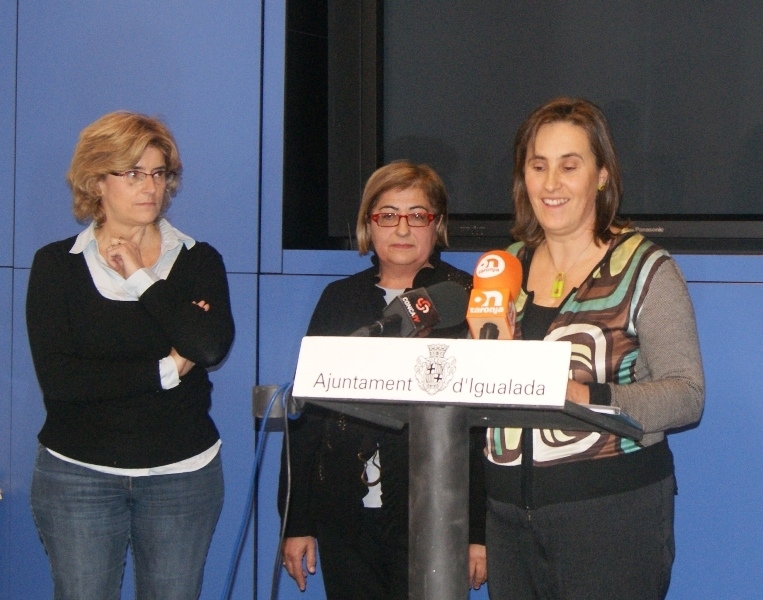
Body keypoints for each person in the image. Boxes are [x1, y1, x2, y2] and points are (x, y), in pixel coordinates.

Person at [481, 98, 705, 599]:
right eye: (538, 166)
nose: (551, 184)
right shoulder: (504, 266)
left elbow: (687, 395)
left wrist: (586, 396)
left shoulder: (645, 268)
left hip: (612, 516)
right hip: (508, 519)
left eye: (569, 166)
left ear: (601, 176)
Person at [26, 111, 234, 600]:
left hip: (182, 477)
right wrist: (167, 369)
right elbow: (62, 381)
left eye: (159, 173)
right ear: (96, 181)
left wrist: (143, 277)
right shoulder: (57, 265)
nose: (151, 187)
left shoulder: (198, 259)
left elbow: (208, 348)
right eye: (134, 173)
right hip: (78, 474)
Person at [278, 160, 487, 599]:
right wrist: (296, 521)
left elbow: (486, 428)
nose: (403, 228)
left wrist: (479, 531)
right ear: (368, 225)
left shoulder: (469, 299)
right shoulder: (339, 299)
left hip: (438, 515)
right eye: (388, 215)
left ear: (437, 225)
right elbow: (307, 417)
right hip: (345, 518)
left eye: (417, 215)